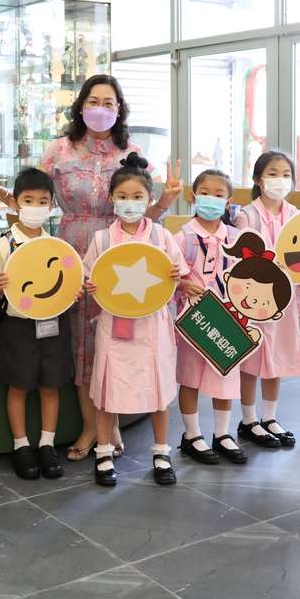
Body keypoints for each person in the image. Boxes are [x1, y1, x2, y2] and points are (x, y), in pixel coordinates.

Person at [0, 75, 183, 462]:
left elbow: (143, 214)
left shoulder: (133, 152)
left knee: (115, 337)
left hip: (119, 255)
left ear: (119, 109)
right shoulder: (59, 149)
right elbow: (33, 197)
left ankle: (111, 423)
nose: (100, 109)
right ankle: (91, 427)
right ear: (81, 106)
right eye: (93, 101)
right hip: (67, 254)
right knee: (79, 343)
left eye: (109, 103)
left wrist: (166, 201)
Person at [80, 153, 185, 487]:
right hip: (114, 325)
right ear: (112, 198)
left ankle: (161, 452)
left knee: (158, 388)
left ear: (149, 199)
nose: (130, 202)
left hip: (152, 325)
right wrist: (89, 285)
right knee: (108, 388)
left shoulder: (161, 237)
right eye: (122, 196)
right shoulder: (102, 239)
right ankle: (104, 452)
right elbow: (87, 276)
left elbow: (179, 272)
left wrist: (175, 274)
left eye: (137, 196)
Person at [0, 167, 74, 481]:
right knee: (19, 386)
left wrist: (73, 290)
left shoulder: (57, 246)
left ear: (52, 205)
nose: (36, 207)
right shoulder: (3, 244)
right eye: (28, 200)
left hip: (53, 323)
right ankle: (21, 446)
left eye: (42, 201)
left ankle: (47, 445)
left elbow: (67, 283)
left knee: (51, 385)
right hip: (19, 326)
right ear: (15, 203)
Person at [233, 150, 300, 450]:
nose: (280, 180)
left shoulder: (295, 215)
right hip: (253, 299)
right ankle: (248, 419)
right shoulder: (246, 215)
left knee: (277, 355)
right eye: (273, 174)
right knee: (251, 358)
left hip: (285, 297)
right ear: (258, 179)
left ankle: (269, 416)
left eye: (286, 174)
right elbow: (241, 260)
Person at [173, 169, 247, 465]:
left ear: (228, 201)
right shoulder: (182, 237)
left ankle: (222, 433)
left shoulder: (236, 238)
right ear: (194, 196)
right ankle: (192, 435)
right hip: (194, 318)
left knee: (225, 372)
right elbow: (168, 275)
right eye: (205, 193)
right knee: (189, 376)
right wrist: (181, 284)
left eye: (219, 195)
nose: (211, 199)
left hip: (227, 317)